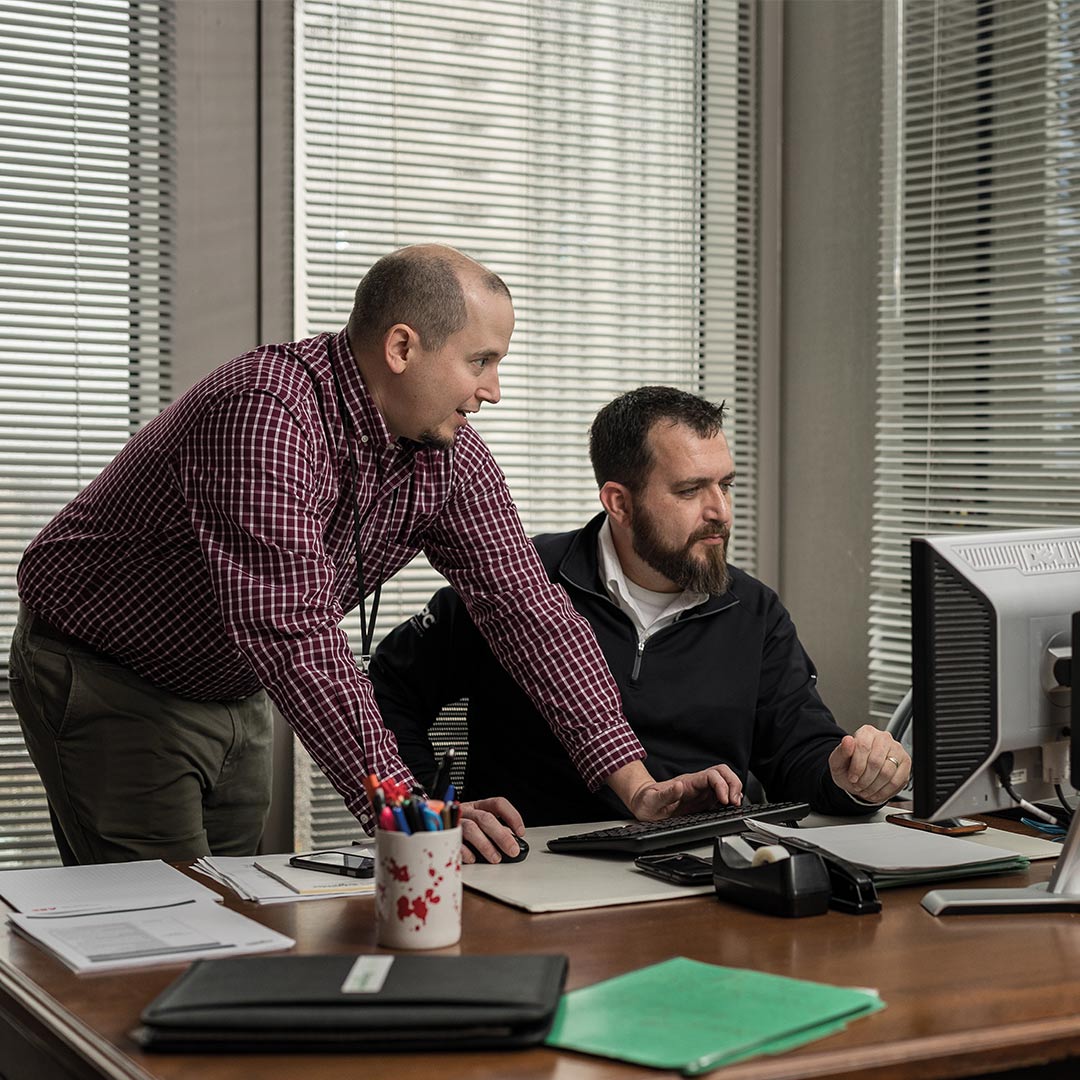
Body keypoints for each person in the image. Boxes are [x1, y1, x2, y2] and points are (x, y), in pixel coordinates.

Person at [9, 246, 731, 866]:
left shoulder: (448, 453)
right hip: (112, 676)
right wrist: (409, 811)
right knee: (166, 929)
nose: (493, 391)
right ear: (402, 348)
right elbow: (293, 633)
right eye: (480, 361)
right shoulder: (264, 413)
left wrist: (636, 787)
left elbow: (528, 613)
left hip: (231, 683)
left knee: (233, 911)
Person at [370, 386, 911, 840]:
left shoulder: (754, 611)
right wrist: (429, 811)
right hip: (532, 868)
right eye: (690, 490)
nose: (721, 512)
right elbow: (385, 689)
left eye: (725, 485)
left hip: (699, 871)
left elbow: (800, 753)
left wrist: (851, 776)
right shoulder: (512, 585)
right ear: (620, 502)